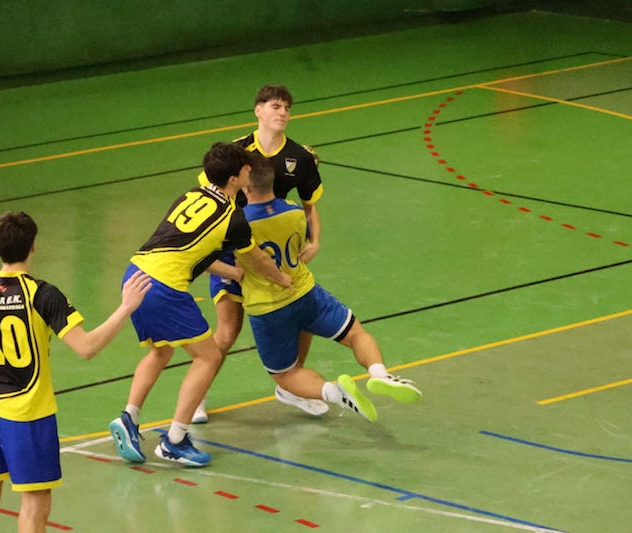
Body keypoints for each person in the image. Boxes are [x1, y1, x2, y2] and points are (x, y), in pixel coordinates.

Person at [0, 211, 151, 533]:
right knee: (35, 503)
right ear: (33, 246)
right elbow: (87, 347)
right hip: (29, 413)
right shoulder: (43, 294)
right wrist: (126, 307)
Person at [109, 142, 292, 467]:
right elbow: (258, 259)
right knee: (208, 357)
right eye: (245, 167)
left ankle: (129, 418)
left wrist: (232, 273)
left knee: (160, 352)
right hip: (164, 288)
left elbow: (194, 252)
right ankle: (175, 440)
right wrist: (282, 279)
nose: (250, 169)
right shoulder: (232, 218)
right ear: (235, 178)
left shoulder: (191, 196)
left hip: (135, 274)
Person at [238, 156, 423, 421]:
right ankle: (380, 373)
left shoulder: (240, 224)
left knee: (286, 375)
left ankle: (335, 393)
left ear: (246, 187)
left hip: (268, 306)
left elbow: (239, 262)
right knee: (356, 333)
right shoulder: (294, 211)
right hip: (306, 293)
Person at [194, 84, 326, 423]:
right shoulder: (235, 152)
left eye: (287, 108)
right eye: (275, 106)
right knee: (227, 331)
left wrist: (314, 241)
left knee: (306, 320)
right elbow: (208, 196)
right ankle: (196, 396)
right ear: (258, 111)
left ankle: (292, 385)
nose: (282, 113)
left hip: (276, 256)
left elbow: (310, 206)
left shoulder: (299, 157)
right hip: (233, 253)